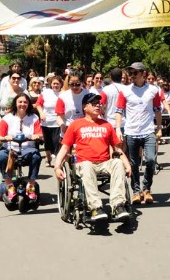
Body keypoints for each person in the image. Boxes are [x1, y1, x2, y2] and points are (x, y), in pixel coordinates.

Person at [53, 93, 132, 222]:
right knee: (87, 165)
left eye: (99, 104)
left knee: (117, 163)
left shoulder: (106, 125)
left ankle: (118, 205)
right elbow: (65, 148)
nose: (97, 105)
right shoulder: (76, 125)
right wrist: (57, 167)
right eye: (93, 103)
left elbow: (117, 149)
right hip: (84, 163)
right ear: (85, 107)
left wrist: (127, 165)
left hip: (104, 163)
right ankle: (95, 207)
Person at [115, 62, 162, 204]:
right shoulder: (125, 91)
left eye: (135, 73)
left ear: (143, 73)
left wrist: (159, 127)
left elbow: (158, 110)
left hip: (148, 131)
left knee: (151, 160)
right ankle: (136, 191)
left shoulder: (153, 90)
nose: (132, 76)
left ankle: (146, 188)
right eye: (130, 73)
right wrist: (118, 128)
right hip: (131, 131)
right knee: (133, 163)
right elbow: (119, 111)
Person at [0, 93, 42, 202]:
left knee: (36, 157)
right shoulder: (7, 118)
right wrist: (5, 138)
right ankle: (9, 185)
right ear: (15, 104)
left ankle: (31, 185)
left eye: (25, 102)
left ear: (29, 104)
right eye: (20, 102)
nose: (22, 104)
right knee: (2, 156)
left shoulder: (34, 118)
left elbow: (40, 134)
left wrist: (36, 136)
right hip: (11, 148)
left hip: (28, 148)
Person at [36, 75, 63, 166]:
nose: (56, 85)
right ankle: (48, 158)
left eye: (57, 84)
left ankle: (57, 159)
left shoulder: (63, 94)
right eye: (54, 83)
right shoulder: (45, 93)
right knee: (47, 142)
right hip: (46, 121)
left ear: (61, 84)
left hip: (57, 122)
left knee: (57, 142)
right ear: (51, 84)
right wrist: (41, 113)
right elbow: (38, 104)